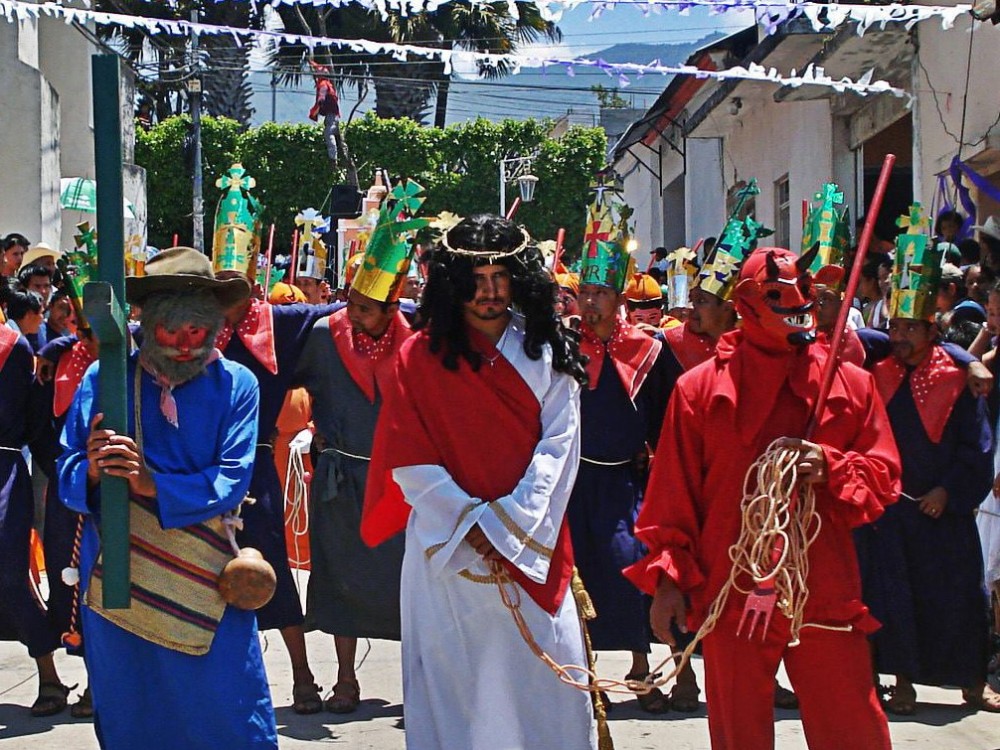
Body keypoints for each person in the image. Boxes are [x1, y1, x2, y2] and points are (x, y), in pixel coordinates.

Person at [625, 246, 901, 750]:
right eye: (777, 293)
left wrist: (833, 467)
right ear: (747, 302)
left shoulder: (849, 383)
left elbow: (884, 475)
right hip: (731, 587)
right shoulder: (698, 389)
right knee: (739, 734)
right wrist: (668, 582)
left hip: (825, 587)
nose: (796, 302)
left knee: (852, 730)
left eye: (802, 292)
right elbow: (673, 495)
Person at [362, 214, 596, 749]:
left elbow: (560, 449)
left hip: (534, 549)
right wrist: (470, 525)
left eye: (501, 277)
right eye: (476, 279)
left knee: (548, 695)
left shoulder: (548, 349)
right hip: (448, 553)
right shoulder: (416, 357)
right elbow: (407, 453)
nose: (489, 292)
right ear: (452, 283)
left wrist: (507, 528)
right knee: (458, 694)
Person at [57, 247, 277, 749]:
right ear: (144, 324)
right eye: (170, 332)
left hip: (208, 566)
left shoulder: (237, 383)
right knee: (131, 703)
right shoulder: (103, 378)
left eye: (196, 333)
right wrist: (93, 468)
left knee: (227, 702)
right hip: (119, 566)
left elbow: (234, 477)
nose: (183, 346)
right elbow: (66, 465)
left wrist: (151, 483)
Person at [295, 182, 426, 713]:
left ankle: (419, 680)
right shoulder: (325, 335)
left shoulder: (418, 337)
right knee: (338, 576)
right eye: (351, 301)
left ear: (392, 303)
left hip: (404, 483)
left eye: (367, 307)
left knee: (412, 584)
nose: (354, 313)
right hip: (342, 478)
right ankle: (345, 677)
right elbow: (301, 386)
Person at [211, 164, 337, 713]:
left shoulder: (279, 323)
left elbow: (340, 312)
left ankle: (303, 676)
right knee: (201, 575)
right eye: (220, 286)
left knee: (275, 569)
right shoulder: (195, 323)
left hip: (258, 467)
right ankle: (211, 683)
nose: (228, 294)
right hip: (199, 468)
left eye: (236, 284)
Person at [859, 215, 998, 714]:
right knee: (898, 600)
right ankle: (903, 682)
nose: (898, 334)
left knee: (960, 599)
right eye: (894, 324)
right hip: (895, 510)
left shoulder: (958, 376)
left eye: (909, 327)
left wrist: (951, 493)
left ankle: (971, 683)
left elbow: (976, 448)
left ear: (929, 329)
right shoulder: (880, 370)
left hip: (946, 513)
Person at [572, 222, 673, 713]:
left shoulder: (650, 350)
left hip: (624, 479)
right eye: (584, 292)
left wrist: (656, 461)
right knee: (577, 577)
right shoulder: (563, 347)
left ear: (620, 297)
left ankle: (641, 668)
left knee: (629, 564)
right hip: (571, 482)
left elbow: (668, 416)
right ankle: (584, 676)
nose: (590, 303)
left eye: (601, 293)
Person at [0, 320, 69, 716]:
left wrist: (63, 475)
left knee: (10, 573)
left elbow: (34, 421)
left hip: (4, 467)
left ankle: (49, 675)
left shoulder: (14, 347)